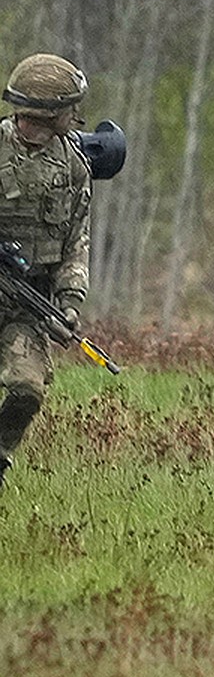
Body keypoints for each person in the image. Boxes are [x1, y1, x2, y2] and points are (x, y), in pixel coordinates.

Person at [0, 53, 91, 489]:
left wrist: (69, 301)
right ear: (48, 111)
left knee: (28, 390)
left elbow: (77, 241)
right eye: (71, 107)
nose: (77, 115)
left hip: (26, 305)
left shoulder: (73, 167)